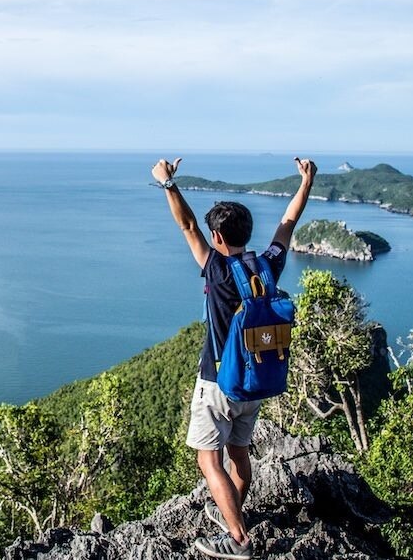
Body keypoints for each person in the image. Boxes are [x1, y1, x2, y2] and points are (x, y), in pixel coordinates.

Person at [151, 156, 316, 560]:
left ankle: (239, 539)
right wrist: (306, 182)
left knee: (209, 461)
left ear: (218, 237)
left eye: (212, 234)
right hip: (256, 381)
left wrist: (168, 184)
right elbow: (288, 224)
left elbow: (187, 226)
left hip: (218, 382)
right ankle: (233, 515)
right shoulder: (268, 264)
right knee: (239, 454)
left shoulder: (217, 269)